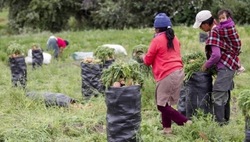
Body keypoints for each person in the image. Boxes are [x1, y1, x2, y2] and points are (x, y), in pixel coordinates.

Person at [140, 13, 191, 135]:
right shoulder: (174, 38)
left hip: (167, 74)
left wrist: (142, 56)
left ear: (156, 28)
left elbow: (147, 61)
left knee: (161, 106)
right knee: (166, 102)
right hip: (178, 71)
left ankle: (185, 122)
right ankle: (167, 129)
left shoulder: (157, 40)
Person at [193, 10, 240, 125]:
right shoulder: (219, 28)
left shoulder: (214, 31)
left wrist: (206, 65)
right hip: (230, 64)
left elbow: (216, 55)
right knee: (224, 93)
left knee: (218, 94)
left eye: (200, 26)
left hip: (225, 66)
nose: (201, 29)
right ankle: (225, 121)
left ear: (205, 24)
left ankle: (220, 124)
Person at [217, 9, 245, 75]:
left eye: (223, 18)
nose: (221, 20)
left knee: (231, 53)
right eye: (220, 18)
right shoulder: (223, 25)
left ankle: (239, 67)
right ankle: (239, 67)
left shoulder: (229, 26)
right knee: (232, 55)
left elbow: (221, 32)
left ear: (228, 18)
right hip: (230, 44)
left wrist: (213, 29)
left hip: (234, 45)